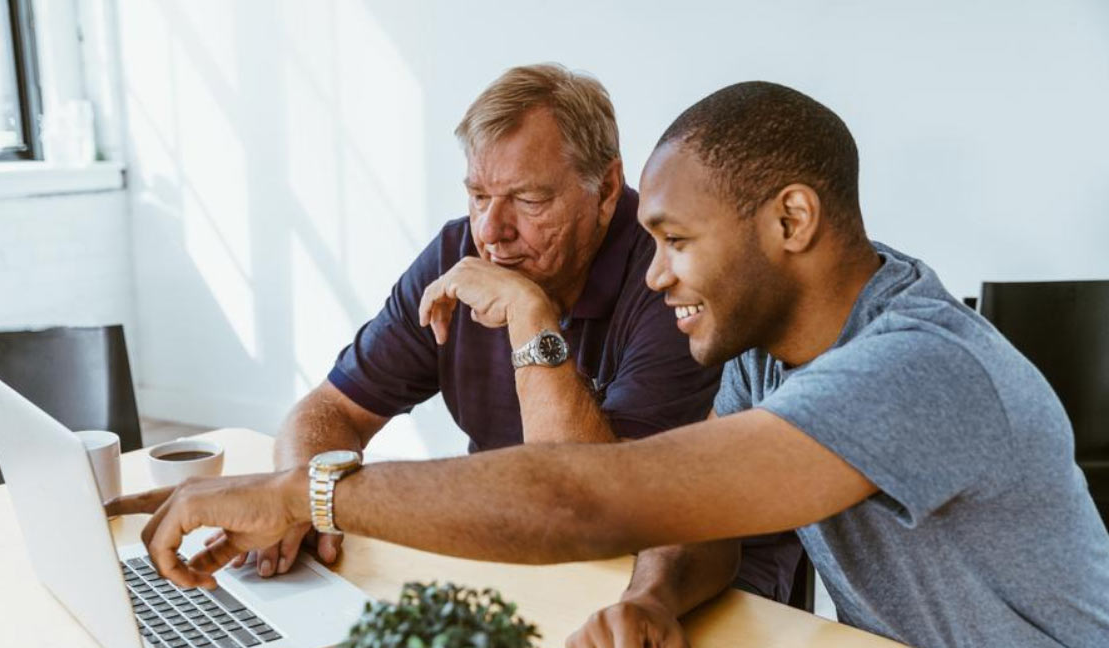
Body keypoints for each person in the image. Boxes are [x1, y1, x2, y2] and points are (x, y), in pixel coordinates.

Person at [109, 81, 1109, 648]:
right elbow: (697, 522)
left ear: (791, 220)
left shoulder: (918, 368)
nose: (661, 276)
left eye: (676, 241)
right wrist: (654, 595)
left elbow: (587, 500)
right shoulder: (771, 352)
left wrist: (301, 494)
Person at [236, 62, 798, 605]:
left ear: (605, 190)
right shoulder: (458, 256)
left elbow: (595, 511)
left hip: (688, 582)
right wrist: (298, 499)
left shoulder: (671, 274)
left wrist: (530, 315)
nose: (491, 233)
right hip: (519, 554)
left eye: (529, 201)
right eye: (478, 195)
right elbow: (330, 411)